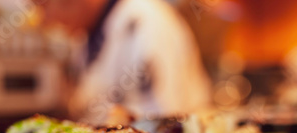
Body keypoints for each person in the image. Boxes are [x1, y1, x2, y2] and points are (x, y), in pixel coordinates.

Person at [34, 0, 211, 125]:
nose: (44, 20)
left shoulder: (146, 22)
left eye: (44, 4)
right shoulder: (86, 36)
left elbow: (161, 122)